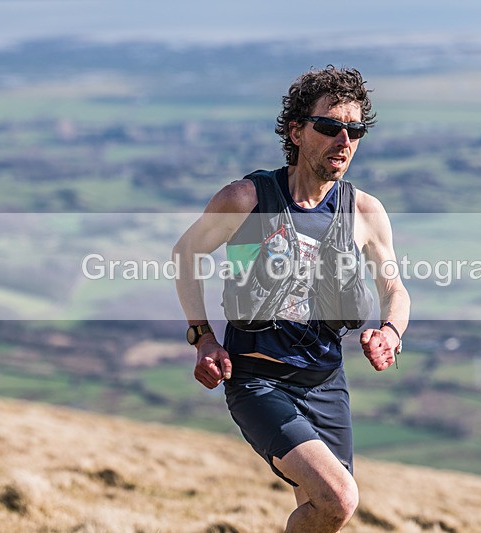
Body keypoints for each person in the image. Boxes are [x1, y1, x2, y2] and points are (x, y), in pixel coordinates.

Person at [173, 65, 410, 532]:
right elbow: (186, 254)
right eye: (329, 127)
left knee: (324, 514)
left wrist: (390, 330)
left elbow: (394, 289)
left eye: (354, 130)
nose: (343, 140)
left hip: (327, 384)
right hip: (259, 382)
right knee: (340, 498)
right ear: (296, 131)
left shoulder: (362, 211)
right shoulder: (247, 200)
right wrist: (202, 336)